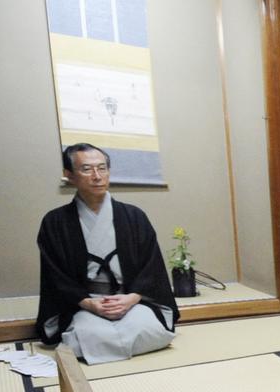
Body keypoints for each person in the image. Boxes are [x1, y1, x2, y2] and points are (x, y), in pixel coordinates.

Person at [36, 143, 178, 364]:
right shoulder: (55, 222)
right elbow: (55, 276)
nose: (97, 176)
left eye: (102, 168)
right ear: (69, 175)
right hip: (85, 303)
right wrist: (88, 303)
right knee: (88, 335)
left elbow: (152, 266)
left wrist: (131, 298)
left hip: (128, 300)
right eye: (86, 169)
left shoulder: (134, 216)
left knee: (148, 329)